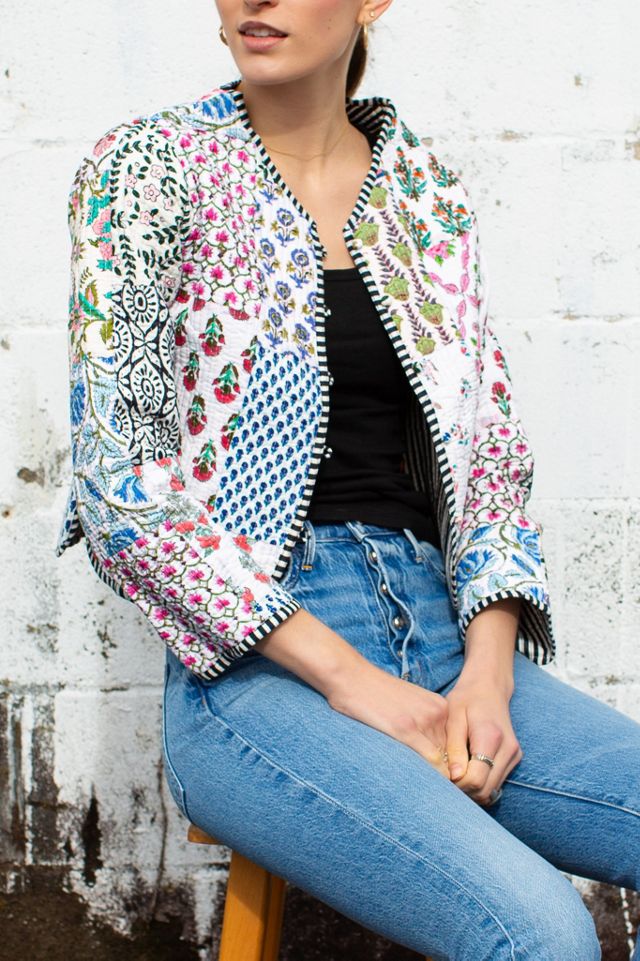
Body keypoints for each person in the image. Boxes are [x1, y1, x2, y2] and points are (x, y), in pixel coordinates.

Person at [56, 2, 639, 958]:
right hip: (258, 663)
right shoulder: (149, 168)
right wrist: (355, 681)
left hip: (445, 629)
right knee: (542, 933)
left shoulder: (424, 192)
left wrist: (489, 675)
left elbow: (489, 454)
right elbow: (122, 487)